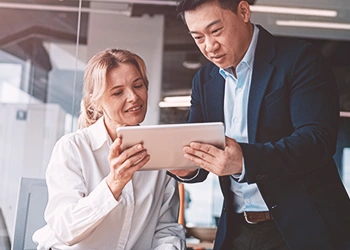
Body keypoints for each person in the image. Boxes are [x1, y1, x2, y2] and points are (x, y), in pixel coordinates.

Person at [168, 0, 350, 250]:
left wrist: (244, 161)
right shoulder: (205, 79)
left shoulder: (298, 59)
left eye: (216, 31)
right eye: (198, 37)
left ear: (243, 11)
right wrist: (186, 167)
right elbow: (198, 147)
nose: (209, 47)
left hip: (301, 231)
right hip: (236, 231)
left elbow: (317, 140)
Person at [32, 48, 186, 250]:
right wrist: (114, 184)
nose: (133, 97)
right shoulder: (73, 148)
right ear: (97, 102)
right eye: (118, 92)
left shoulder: (161, 152)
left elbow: (166, 230)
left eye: (138, 85)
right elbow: (65, 230)